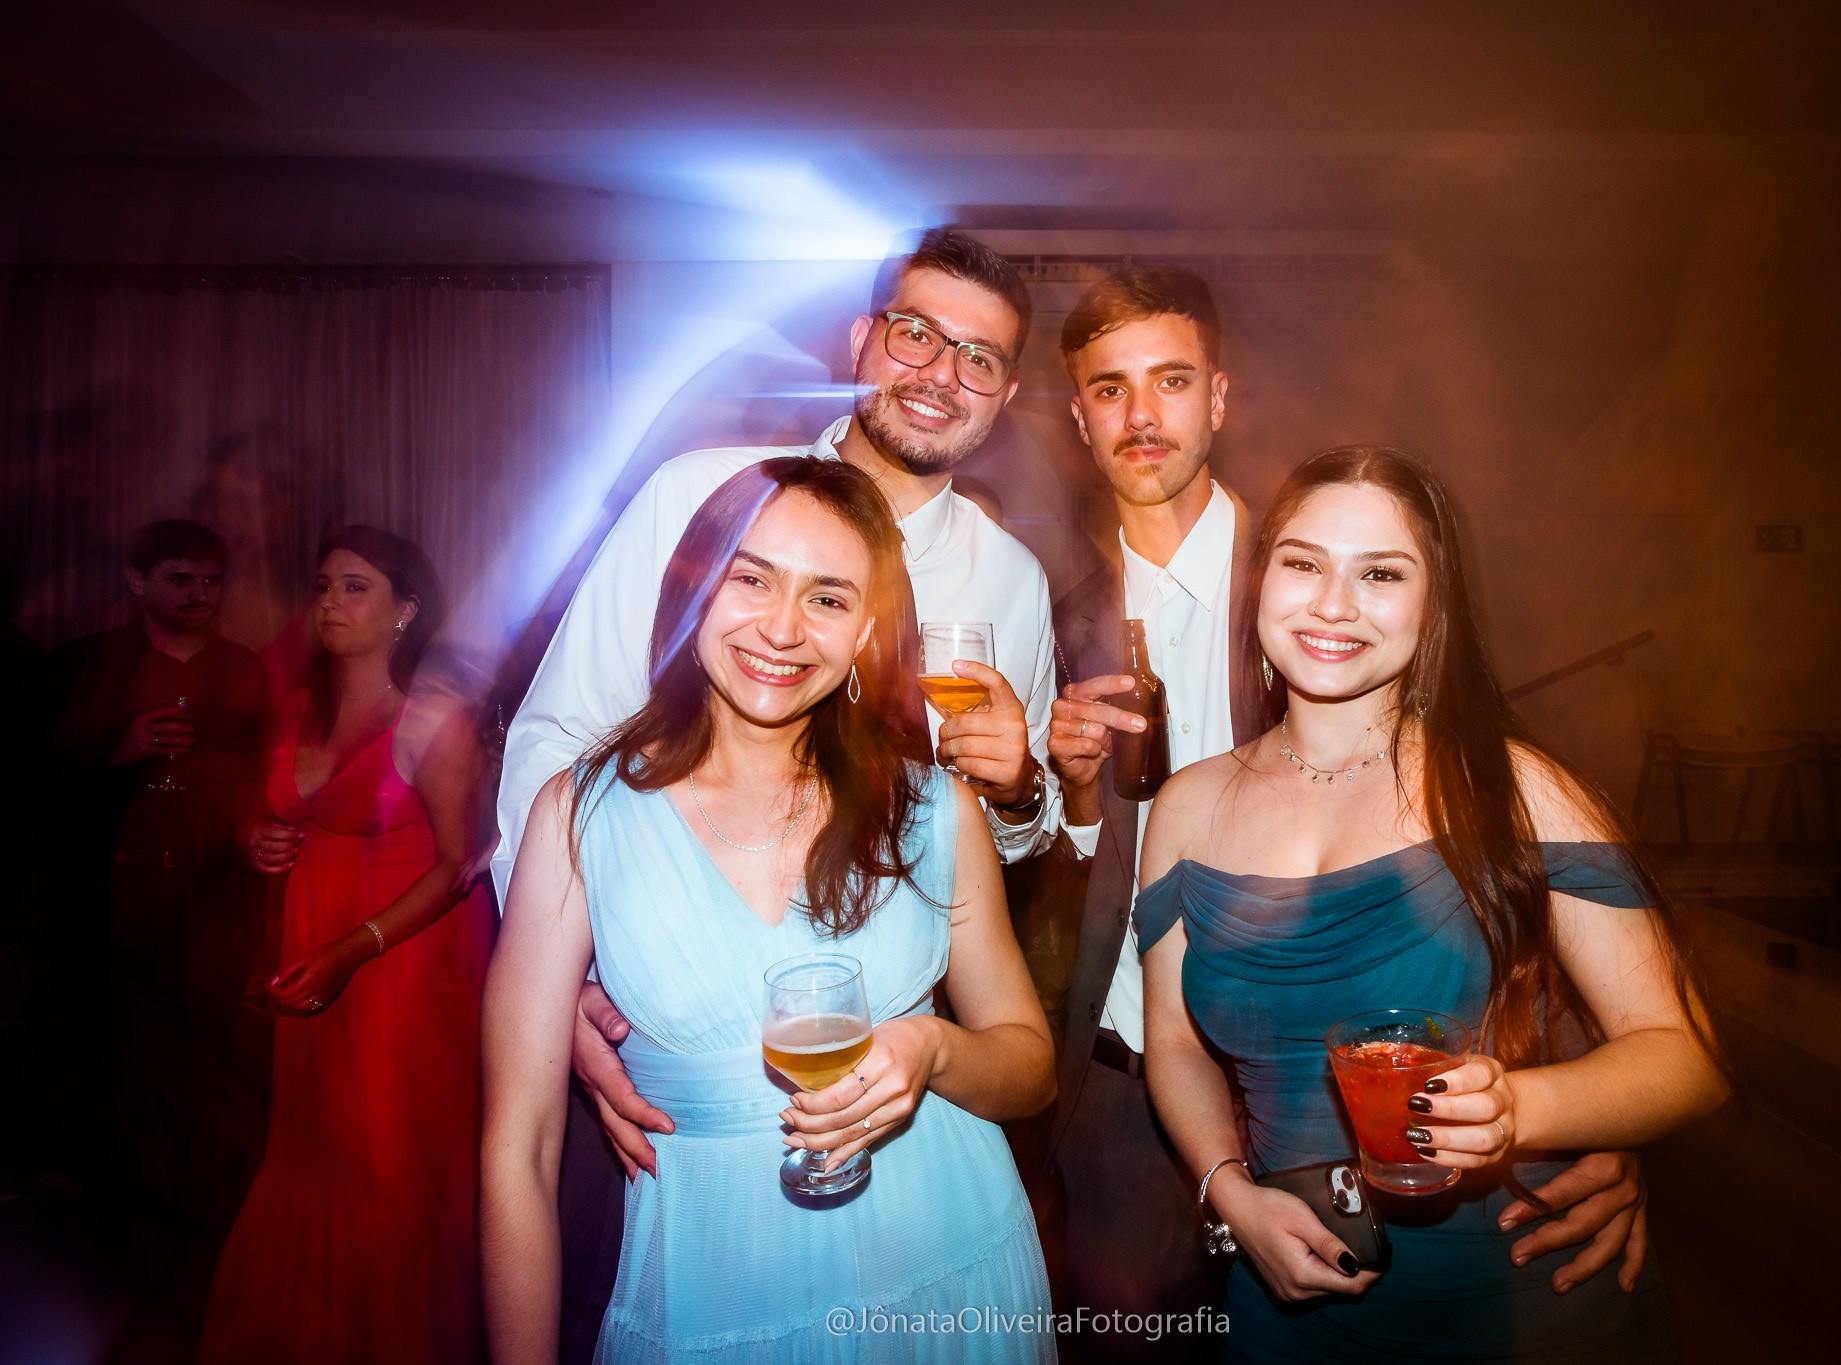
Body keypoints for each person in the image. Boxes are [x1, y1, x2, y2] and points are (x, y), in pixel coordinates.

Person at [1031, 269, 1664, 1359]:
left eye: (1170, 381)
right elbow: (1007, 878)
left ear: (1218, 398)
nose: (1141, 417)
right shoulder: (1033, 604)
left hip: (1446, 1200)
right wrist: (1056, 800)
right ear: (1073, 416)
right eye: (1108, 388)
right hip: (1127, 1090)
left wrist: (1571, 1117)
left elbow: (1497, 923)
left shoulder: (1310, 568)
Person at [498, 226, 1063, 1357]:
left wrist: (1017, 789)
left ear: (1005, 394)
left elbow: (986, 853)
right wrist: (570, 976)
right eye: (915, 332)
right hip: (682, 1067)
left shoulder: (1010, 575)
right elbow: (558, 738)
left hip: (916, 1129)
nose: (939, 373)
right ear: (863, 339)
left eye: (980, 358)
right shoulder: (701, 497)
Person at [1134, 446, 1728, 1361]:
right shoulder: (1185, 808)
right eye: (1303, 562)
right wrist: (1229, 1194)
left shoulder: (1513, 789)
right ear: (1262, 583)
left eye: (1381, 573)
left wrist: (1518, 1109)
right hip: (1285, 1305)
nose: (1334, 603)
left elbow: (1685, 1057)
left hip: (1522, 1303)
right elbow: (1172, 1041)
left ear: (1433, 603)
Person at [201, 526, 494, 1365]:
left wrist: (353, 948)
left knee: (390, 1157)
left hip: (404, 951)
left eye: (356, 586)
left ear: (407, 609)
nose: (330, 601)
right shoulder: (299, 705)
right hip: (311, 932)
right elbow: (267, 806)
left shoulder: (436, 715)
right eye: (324, 584)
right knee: (313, 1148)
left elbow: (458, 864)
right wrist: (257, 834)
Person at [38, 519, 272, 1349]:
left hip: (213, 910)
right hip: (111, 909)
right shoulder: (87, 665)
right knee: (119, 1085)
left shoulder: (243, 671)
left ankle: (198, 1260)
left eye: (211, 580)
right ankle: (120, 1263)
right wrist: (117, 749)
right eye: (181, 579)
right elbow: (34, 786)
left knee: (207, 1088)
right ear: (139, 582)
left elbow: (263, 779)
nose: (199, 595)